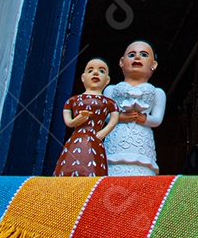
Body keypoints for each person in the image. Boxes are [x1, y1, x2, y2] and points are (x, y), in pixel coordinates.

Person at [103, 41, 166, 175]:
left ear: (153, 65)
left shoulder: (157, 93)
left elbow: (157, 119)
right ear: (122, 62)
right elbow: (104, 116)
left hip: (142, 139)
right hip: (116, 138)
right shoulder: (111, 90)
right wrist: (120, 117)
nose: (137, 57)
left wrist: (143, 119)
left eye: (143, 55)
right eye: (132, 55)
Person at [54, 58, 119, 177]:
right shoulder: (73, 100)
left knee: (93, 166)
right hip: (76, 139)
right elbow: (68, 122)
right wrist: (76, 121)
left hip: (95, 139)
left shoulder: (109, 103)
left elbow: (114, 119)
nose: (96, 73)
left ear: (107, 80)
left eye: (101, 71)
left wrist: (103, 132)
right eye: (90, 70)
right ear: (83, 77)